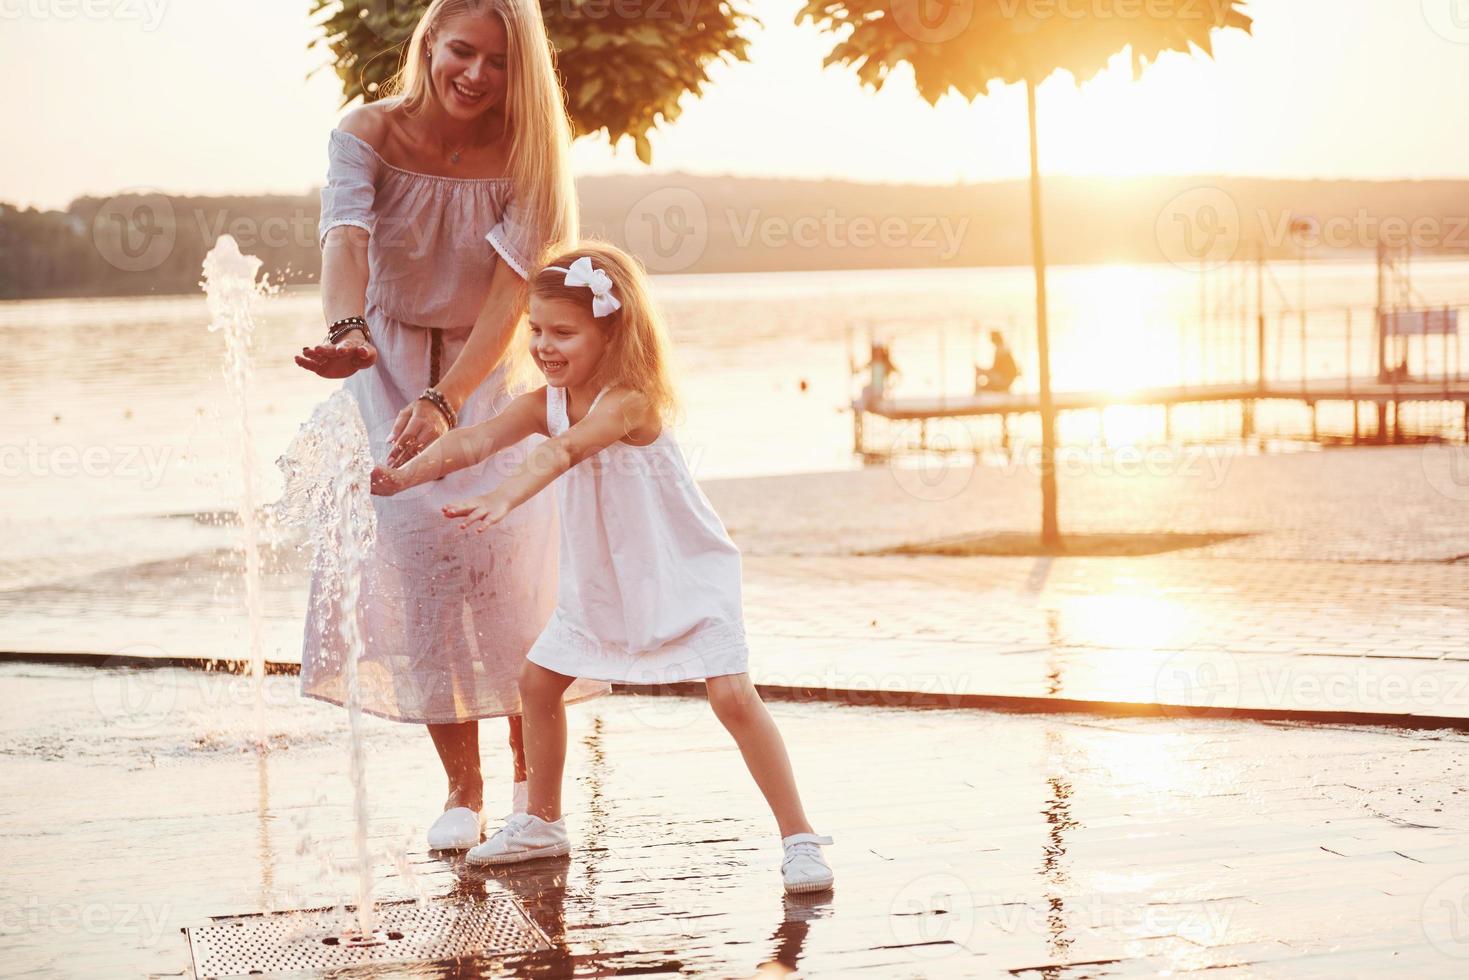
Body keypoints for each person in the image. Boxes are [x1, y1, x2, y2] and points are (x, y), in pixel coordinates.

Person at [372, 242, 836, 893]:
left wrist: (505, 496)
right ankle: (541, 821)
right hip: (604, 582)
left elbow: (565, 451)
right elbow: (474, 440)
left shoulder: (630, 401)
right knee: (536, 684)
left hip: (680, 571)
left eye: (563, 332)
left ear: (610, 332)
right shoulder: (543, 401)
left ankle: (800, 838)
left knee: (731, 696)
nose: (544, 345)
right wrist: (402, 477)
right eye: (535, 329)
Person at [294, 0, 608, 853]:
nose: (476, 75)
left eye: (499, 63)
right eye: (461, 52)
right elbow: (345, 239)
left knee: (511, 575)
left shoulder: (530, 150)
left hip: (493, 370)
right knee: (423, 569)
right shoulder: (365, 132)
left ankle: (529, 786)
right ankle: (461, 788)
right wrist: (347, 332)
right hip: (384, 366)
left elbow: (513, 294)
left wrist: (448, 401)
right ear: (428, 41)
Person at [974, 329, 1019, 393]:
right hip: (1006, 378)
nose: (990, 340)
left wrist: (982, 370)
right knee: (982, 374)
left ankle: (978, 393)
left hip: (1004, 379)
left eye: (991, 338)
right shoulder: (1003, 348)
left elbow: (995, 369)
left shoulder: (1000, 350)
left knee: (979, 372)